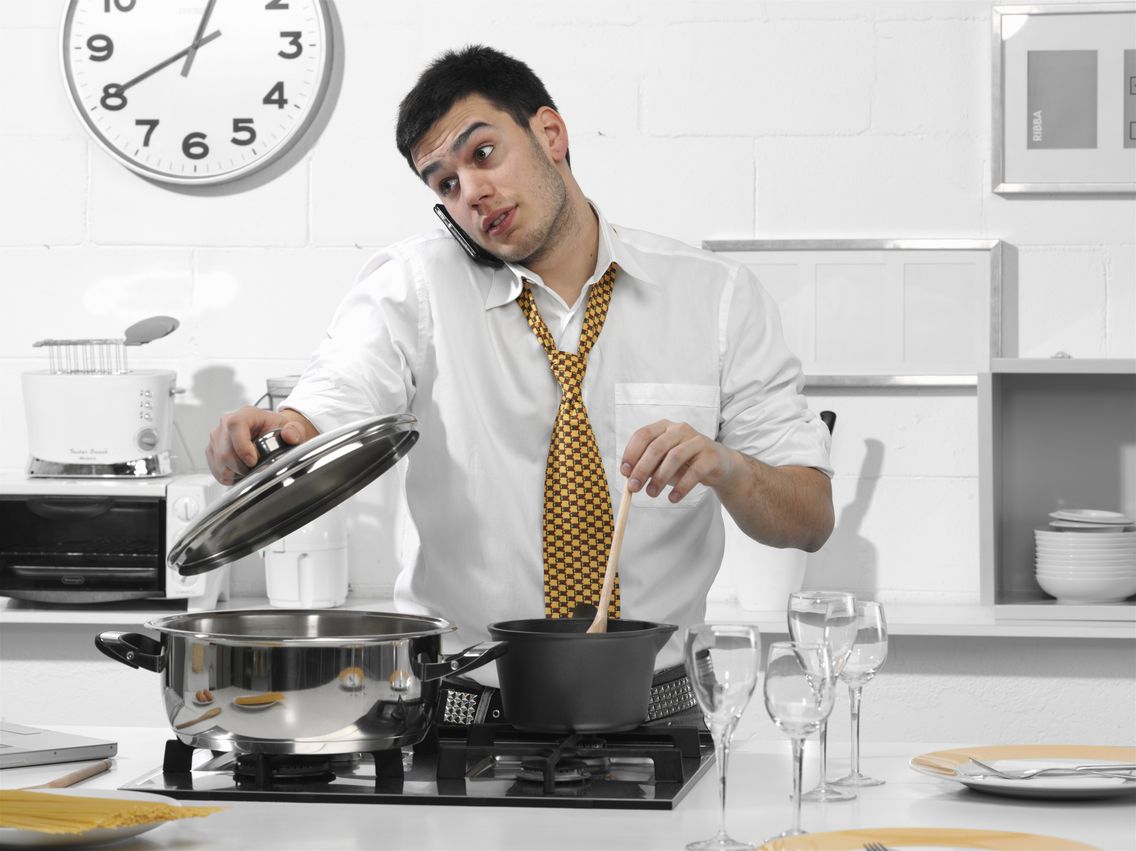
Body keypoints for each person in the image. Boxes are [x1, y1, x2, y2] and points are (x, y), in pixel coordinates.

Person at [206, 45, 834, 723]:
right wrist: (287, 434)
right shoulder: (410, 288)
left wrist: (727, 466)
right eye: (443, 183)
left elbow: (809, 517)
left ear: (551, 135)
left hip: (660, 709)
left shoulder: (716, 298)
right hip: (462, 710)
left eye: (482, 154)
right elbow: (333, 401)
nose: (470, 192)